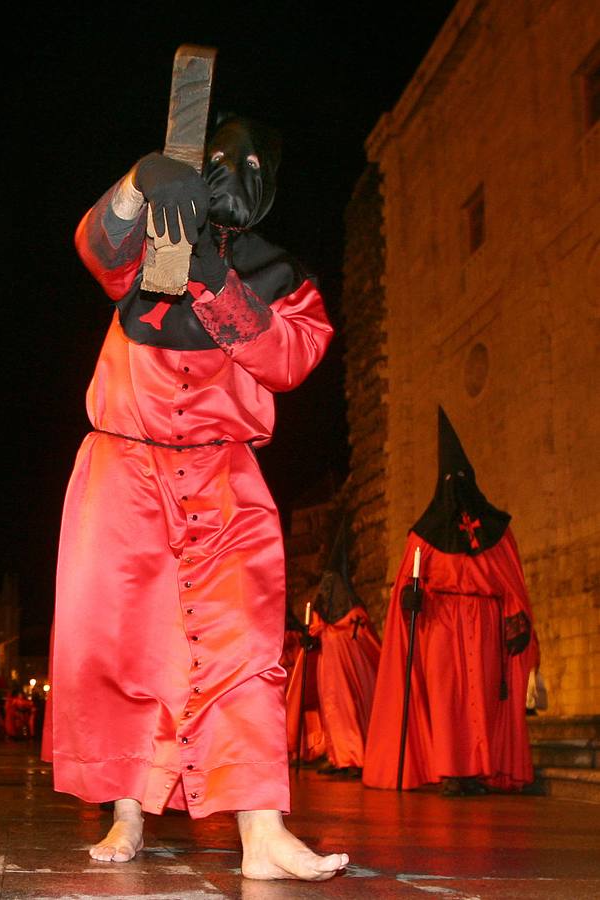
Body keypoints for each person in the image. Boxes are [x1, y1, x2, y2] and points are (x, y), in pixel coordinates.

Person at [42, 115, 348, 880]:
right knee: (125, 645)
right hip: (125, 470)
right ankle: (127, 809)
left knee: (244, 643)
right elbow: (97, 247)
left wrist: (216, 281)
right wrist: (136, 186)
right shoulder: (154, 245)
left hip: (223, 474)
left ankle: (263, 834)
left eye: (251, 162)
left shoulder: (288, 278)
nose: (233, 171)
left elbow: (289, 357)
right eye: (219, 160)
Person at [363, 408, 539, 795]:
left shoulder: (498, 532)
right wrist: (411, 598)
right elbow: (410, 582)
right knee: (447, 699)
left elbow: (512, 583)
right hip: (440, 625)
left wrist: (516, 618)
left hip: (487, 622)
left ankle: (479, 770)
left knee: (486, 696)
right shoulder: (424, 535)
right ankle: (451, 772)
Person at [285, 514, 381, 776]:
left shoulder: (354, 614)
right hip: (330, 672)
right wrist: (311, 638)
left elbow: (365, 641)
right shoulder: (332, 615)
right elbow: (315, 631)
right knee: (333, 711)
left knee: (348, 709)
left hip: (345, 673)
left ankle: (354, 757)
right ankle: (339, 756)